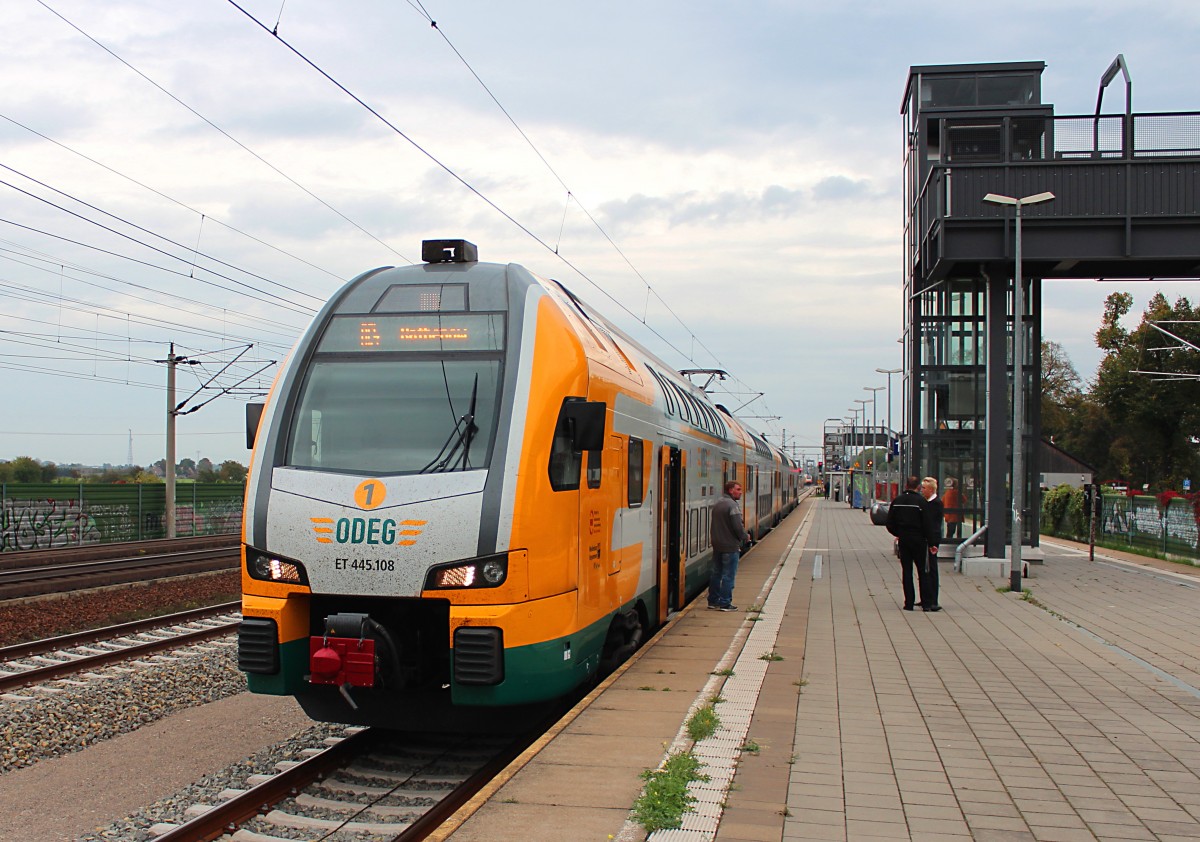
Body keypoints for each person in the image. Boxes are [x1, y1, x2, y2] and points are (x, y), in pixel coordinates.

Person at [885, 476, 930, 612]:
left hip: (904, 540)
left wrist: (898, 533)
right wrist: (930, 540)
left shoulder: (897, 501)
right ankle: (926, 603)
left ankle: (908, 603)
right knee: (923, 571)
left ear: (906, 486)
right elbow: (927, 523)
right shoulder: (921, 502)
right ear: (918, 487)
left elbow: (889, 523)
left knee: (907, 571)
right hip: (919, 540)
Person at [709, 479, 749, 611]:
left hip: (717, 544)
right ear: (731, 490)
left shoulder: (718, 504)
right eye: (738, 489)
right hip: (730, 546)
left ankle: (713, 600)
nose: (740, 492)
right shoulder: (732, 506)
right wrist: (745, 536)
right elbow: (738, 526)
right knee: (728, 575)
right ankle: (725, 603)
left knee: (716, 573)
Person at [920, 476, 943, 612]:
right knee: (925, 569)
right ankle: (925, 597)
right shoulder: (926, 502)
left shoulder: (936, 503)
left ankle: (933, 599)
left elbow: (935, 525)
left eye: (924, 488)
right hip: (925, 539)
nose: (922, 490)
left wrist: (933, 542)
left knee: (932, 569)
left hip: (932, 541)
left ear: (930, 489)